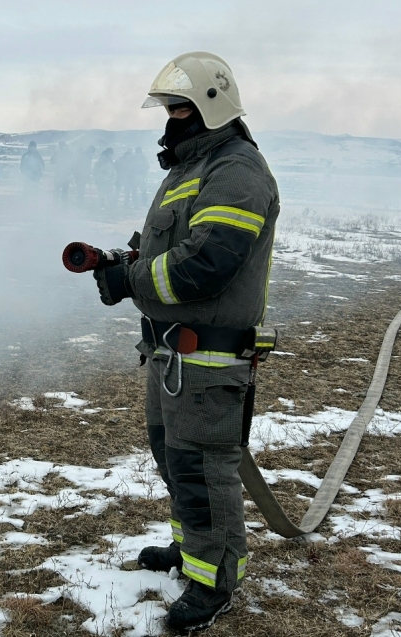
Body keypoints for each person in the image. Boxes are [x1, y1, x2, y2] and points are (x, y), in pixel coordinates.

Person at [90, 52, 280, 632]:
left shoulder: (237, 172)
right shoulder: (189, 168)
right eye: (168, 108)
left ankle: (215, 579)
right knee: (175, 460)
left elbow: (207, 264)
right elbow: (170, 248)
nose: (169, 118)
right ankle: (192, 549)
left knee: (202, 468)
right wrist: (127, 261)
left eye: (179, 108)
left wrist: (131, 280)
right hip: (171, 354)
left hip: (208, 358)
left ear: (211, 106)